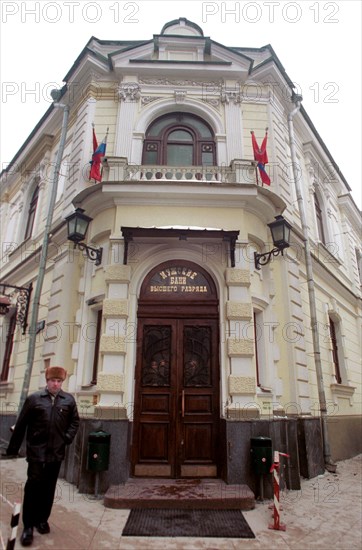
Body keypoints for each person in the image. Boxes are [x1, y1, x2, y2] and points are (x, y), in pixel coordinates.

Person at [5, 366, 79, 547]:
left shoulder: (68, 400)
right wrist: (13, 449)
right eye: (53, 380)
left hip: (56, 452)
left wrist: (66, 438)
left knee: (49, 488)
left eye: (59, 381)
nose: (55, 384)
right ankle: (28, 526)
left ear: (63, 382)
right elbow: (21, 424)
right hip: (36, 452)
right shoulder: (34, 399)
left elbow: (75, 421)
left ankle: (42, 519)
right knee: (33, 487)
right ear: (47, 381)